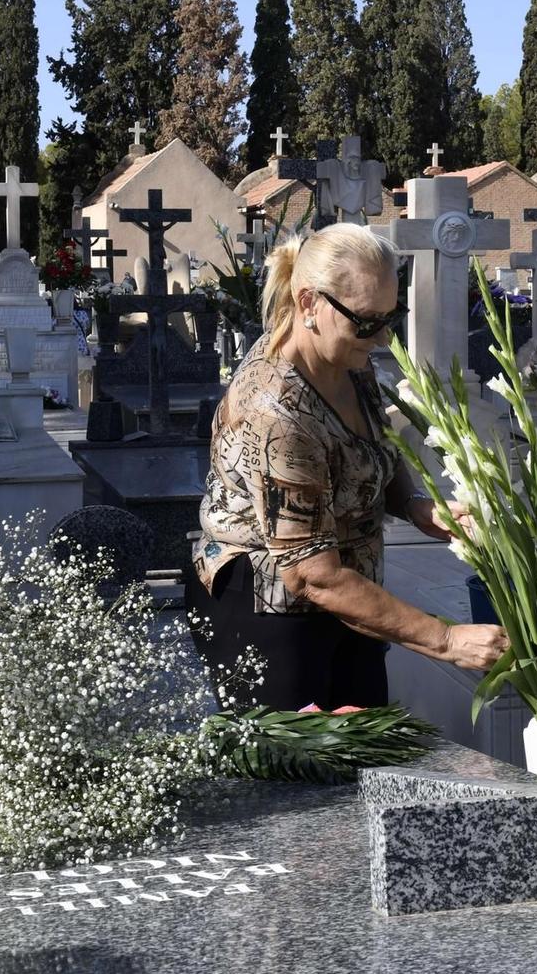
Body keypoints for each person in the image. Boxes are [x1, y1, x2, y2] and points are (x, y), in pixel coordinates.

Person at [190, 224, 507, 708]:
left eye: (390, 317)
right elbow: (313, 577)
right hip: (271, 615)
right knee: (304, 776)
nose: (380, 338)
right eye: (365, 321)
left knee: (364, 755)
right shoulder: (277, 414)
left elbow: (373, 446)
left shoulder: (347, 361)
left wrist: (416, 505)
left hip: (348, 598)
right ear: (308, 304)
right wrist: (447, 640)